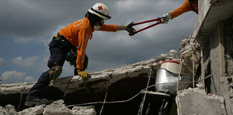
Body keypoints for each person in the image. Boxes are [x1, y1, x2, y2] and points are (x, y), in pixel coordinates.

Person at [25, 3, 135, 107]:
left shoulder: (92, 24)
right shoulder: (85, 27)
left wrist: (125, 27)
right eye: (102, 20)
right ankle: (32, 96)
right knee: (55, 70)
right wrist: (80, 69)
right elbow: (82, 49)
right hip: (58, 45)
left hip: (68, 46)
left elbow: (110, 28)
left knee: (83, 60)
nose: (103, 23)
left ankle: (77, 85)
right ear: (95, 18)